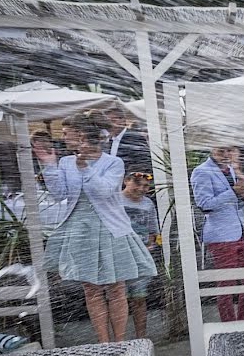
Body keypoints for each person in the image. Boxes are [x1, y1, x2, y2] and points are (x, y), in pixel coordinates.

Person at [36, 110, 156, 343]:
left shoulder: (114, 162)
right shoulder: (65, 161)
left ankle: (119, 342)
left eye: (67, 133)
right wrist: (49, 166)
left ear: (81, 136)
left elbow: (103, 192)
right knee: (91, 289)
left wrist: (86, 168)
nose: (63, 137)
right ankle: (103, 342)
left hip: (111, 229)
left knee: (116, 287)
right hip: (80, 231)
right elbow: (59, 193)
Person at [191, 146, 244, 322]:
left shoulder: (230, 170)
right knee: (226, 285)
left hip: (239, 232)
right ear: (211, 149)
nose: (227, 154)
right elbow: (204, 204)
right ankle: (228, 325)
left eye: (229, 150)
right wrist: (233, 192)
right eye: (222, 151)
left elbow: (234, 203)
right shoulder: (202, 172)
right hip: (220, 236)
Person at [121, 171, 159, 338]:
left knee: (139, 298)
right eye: (137, 184)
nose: (141, 189)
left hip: (140, 255)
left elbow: (153, 229)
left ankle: (141, 337)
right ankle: (117, 340)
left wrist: (150, 245)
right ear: (126, 181)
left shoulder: (148, 204)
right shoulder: (114, 200)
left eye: (145, 186)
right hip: (119, 255)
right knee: (118, 299)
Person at [105, 106, 151, 174]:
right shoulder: (109, 141)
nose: (110, 125)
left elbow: (144, 161)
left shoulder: (134, 137)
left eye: (113, 121)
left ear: (123, 120)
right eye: (107, 122)